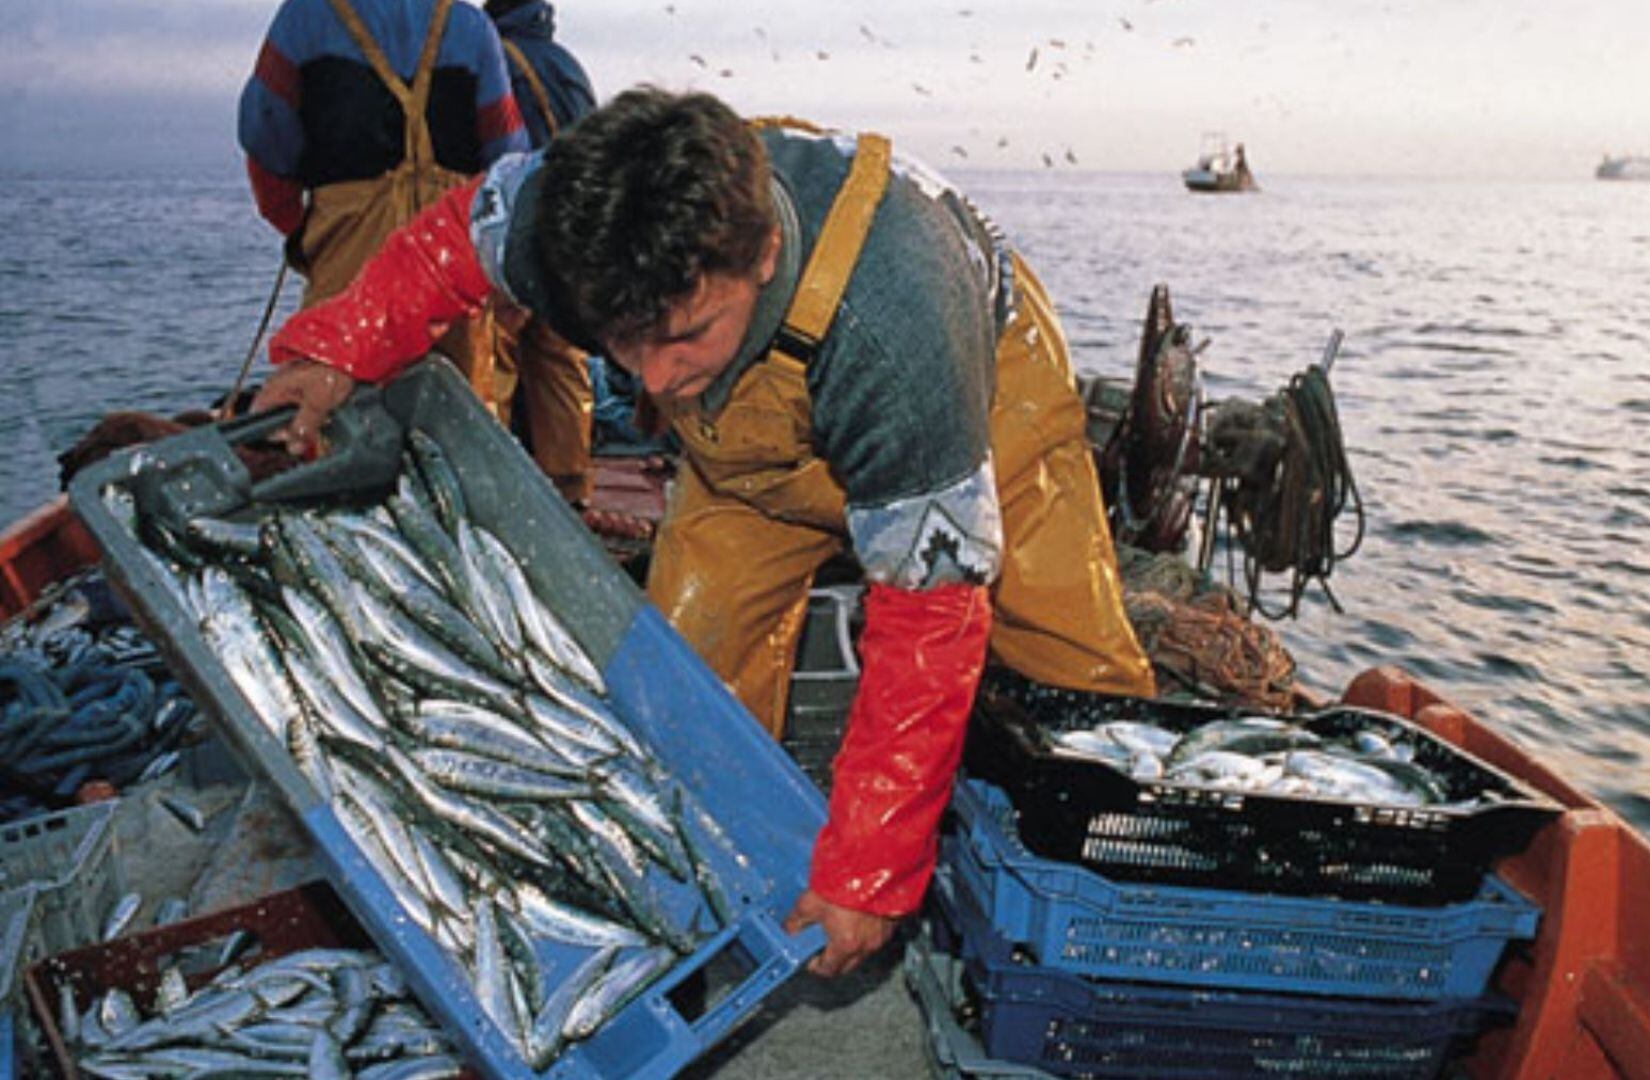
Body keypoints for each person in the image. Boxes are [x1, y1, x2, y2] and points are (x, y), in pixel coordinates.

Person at [252, 86, 1157, 976]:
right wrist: (336, 348)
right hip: (748, 454)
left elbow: (929, 611)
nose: (653, 380)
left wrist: (868, 873)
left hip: (979, 394)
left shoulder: (897, 329)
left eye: (682, 335)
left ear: (762, 253)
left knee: (1072, 666)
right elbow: (452, 243)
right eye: (623, 342)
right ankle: (713, 910)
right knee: (683, 697)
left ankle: (1128, 918)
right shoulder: (576, 224)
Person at [238, 0, 528, 414]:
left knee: (332, 410)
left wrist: (301, 226)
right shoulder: (472, 26)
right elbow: (506, 151)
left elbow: (264, 133)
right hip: (455, 246)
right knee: (458, 413)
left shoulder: (304, 16)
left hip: (345, 235)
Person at [482, 0, 600, 504]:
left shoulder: (491, 56)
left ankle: (495, 492)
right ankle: (571, 489)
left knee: (495, 360)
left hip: (516, 232)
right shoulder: (568, 65)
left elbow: (490, 148)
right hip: (569, 237)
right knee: (561, 362)